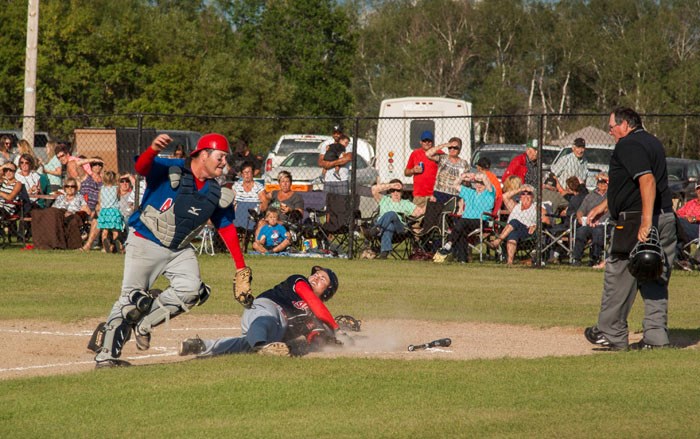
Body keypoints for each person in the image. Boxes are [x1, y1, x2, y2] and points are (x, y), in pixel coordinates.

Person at [92, 133, 253, 368]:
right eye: (220, 157)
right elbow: (142, 167)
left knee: (193, 290)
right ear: (203, 154)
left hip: (179, 250)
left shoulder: (215, 192)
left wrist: (241, 267)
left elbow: (226, 227)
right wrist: (152, 149)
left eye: (225, 158)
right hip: (145, 241)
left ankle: (144, 324)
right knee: (131, 301)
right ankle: (105, 356)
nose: (223, 163)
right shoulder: (172, 169)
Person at [584, 107, 676, 351]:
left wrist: (645, 222)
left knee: (619, 274)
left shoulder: (628, 145)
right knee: (655, 274)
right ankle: (656, 337)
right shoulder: (652, 142)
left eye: (612, 126)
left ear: (625, 125)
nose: (610, 131)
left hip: (637, 220)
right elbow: (629, 184)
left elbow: (646, 180)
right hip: (664, 216)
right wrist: (605, 205)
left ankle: (610, 332)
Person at [178, 266, 340, 358]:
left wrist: (331, 339)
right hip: (267, 308)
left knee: (245, 345)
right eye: (316, 274)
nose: (315, 277)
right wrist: (336, 328)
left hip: (277, 331)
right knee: (264, 320)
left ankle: (199, 346)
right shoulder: (299, 281)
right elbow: (314, 303)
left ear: (327, 292)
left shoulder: (312, 318)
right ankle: (261, 345)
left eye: (322, 279)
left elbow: (315, 338)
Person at [438, 172, 495, 263]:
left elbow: (485, 179)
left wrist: (475, 176)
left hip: (480, 221)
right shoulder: (470, 192)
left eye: (481, 183)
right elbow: (455, 185)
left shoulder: (489, 193)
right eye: (476, 182)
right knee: (461, 231)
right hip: (465, 222)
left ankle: (449, 244)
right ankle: (462, 259)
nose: (479, 185)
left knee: (462, 222)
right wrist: (462, 177)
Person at [487, 184, 550, 265]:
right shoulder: (515, 206)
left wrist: (536, 226)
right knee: (513, 233)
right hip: (512, 231)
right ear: (520, 196)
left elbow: (547, 222)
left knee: (514, 221)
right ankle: (510, 262)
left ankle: (497, 241)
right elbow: (504, 196)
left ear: (533, 196)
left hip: (527, 232)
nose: (526, 196)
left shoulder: (537, 208)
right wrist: (520, 189)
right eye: (523, 193)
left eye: (529, 194)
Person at [370, 179, 425, 259]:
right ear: (390, 191)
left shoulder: (406, 203)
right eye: (393, 190)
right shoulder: (384, 199)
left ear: (402, 192)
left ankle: (377, 229)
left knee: (392, 214)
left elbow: (420, 212)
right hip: (387, 229)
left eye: (398, 191)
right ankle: (384, 253)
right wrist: (391, 185)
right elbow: (373, 189)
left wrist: (429, 202)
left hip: (399, 229)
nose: (395, 193)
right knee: (389, 226)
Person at [571, 173, 610, 266]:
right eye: (600, 182)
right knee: (581, 231)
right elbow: (581, 210)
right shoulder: (590, 196)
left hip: (605, 224)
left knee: (598, 231)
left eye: (604, 183)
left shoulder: (612, 195)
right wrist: (580, 217)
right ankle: (576, 259)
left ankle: (595, 258)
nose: (602, 185)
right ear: (597, 184)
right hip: (589, 223)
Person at [82, 171, 124, 253]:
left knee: (104, 232)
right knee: (115, 231)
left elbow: (99, 200)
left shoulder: (102, 189)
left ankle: (105, 247)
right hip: (114, 212)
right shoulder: (116, 188)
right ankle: (119, 245)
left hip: (104, 212)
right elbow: (119, 197)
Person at [425, 137, 468, 204]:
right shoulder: (443, 158)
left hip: (455, 194)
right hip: (440, 192)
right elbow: (428, 154)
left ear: (460, 149)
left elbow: (466, 182)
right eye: (450, 147)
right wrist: (445, 145)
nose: (452, 149)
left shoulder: (464, 163)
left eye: (455, 148)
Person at [405, 130, 440, 208]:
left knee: (433, 218)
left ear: (432, 142)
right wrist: (413, 170)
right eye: (424, 141)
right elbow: (406, 172)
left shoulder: (439, 153)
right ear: (421, 142)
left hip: (434, 194)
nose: (427, 143)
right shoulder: (415, 154)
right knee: (417, 218)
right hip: (419, 195)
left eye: (429, 141)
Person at [674, 184, 700, 269]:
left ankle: (680, 259)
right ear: (696, 191)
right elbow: (678, 214)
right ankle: (680, 260)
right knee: (674, 222)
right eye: (698, 189)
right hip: (684, 229)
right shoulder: (690, 203)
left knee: (677, 224)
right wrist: (686, 217)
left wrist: (694, 218)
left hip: (697, 229)